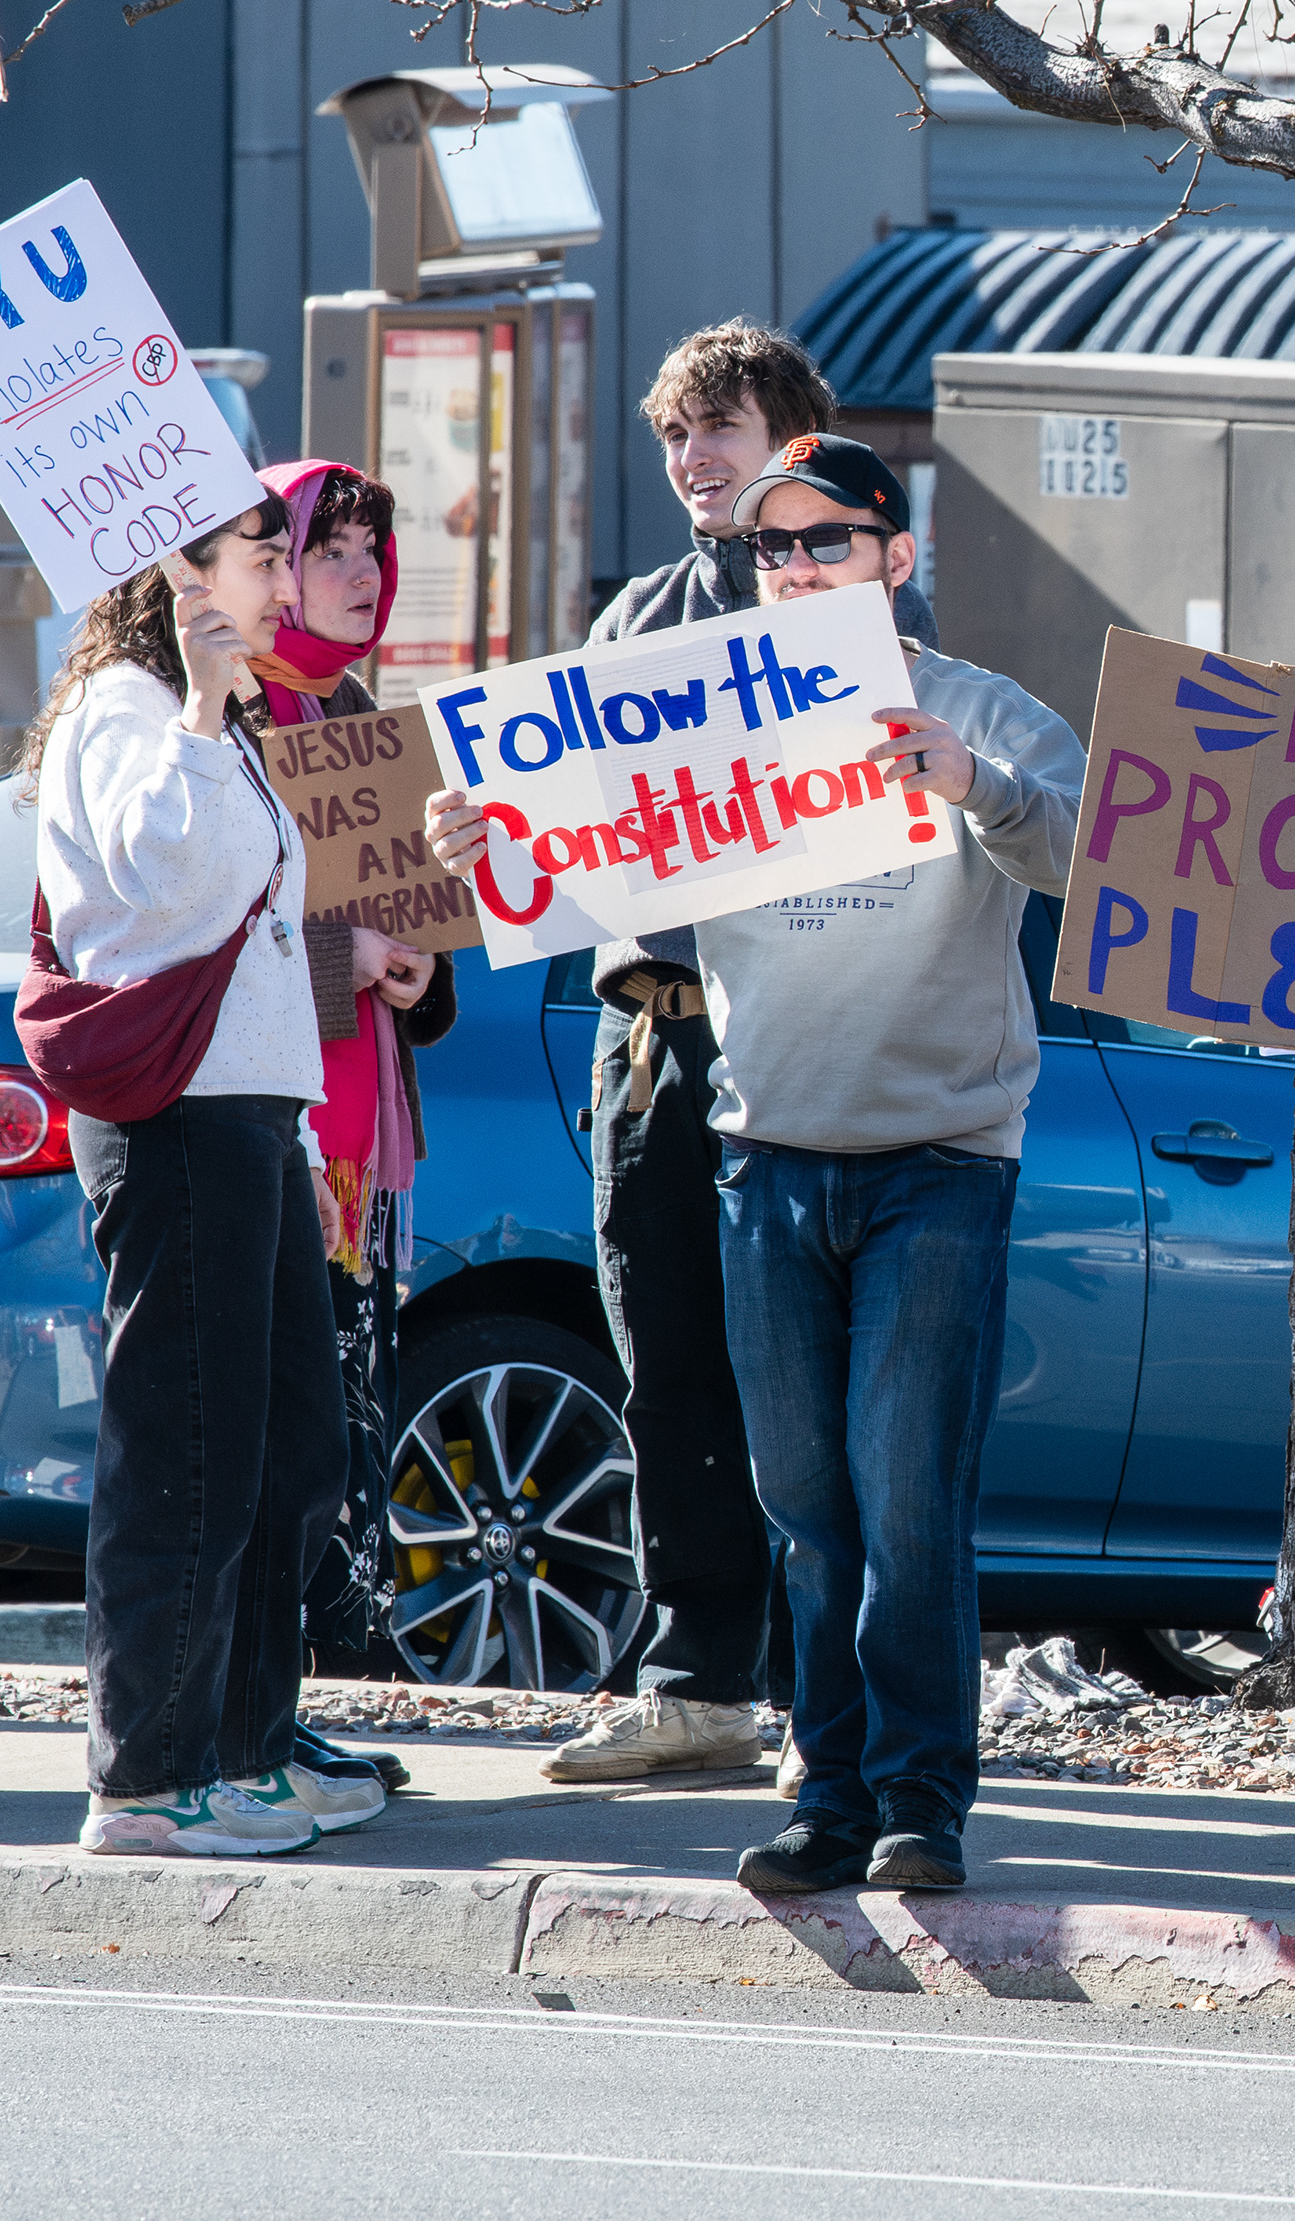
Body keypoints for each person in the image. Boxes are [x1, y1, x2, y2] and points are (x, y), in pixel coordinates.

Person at [431, 433, 1078, 1892]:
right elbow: (563, 873)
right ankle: (830, 1794)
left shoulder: (989, 711)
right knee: (806, 1508)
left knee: (907, 1504)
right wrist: (480, 844)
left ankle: (919, 1801)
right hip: (763, 1161)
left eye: (826, 542)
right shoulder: (696, 724)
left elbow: (1096, 860)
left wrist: (974, 781)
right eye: (772, 549)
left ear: (894, 560)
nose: (792, 568)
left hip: (938, 1167)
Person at [543, 324, 924, 1791]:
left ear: (798, 439)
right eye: (675, 435)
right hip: (656, 1045)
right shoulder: (630, 621)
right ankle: (698, 1682)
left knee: (821, 1397)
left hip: (819, 1047)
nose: (696, 457)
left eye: (723, 426)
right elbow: (559, 829)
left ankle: (836, 1703)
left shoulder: (863, 615)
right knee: (672, 1366)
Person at [43, 495, 383, 1854]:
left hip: (246, 1117)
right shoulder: (129, 710)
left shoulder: (210, 715)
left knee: (284, 1444)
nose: (283, 581)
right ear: (183, 579)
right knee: (186, 1451)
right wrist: (196, 711)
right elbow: (161, 873)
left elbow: (248, 944)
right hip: (178, 1119)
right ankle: (148, 1777)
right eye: (261, 560)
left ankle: (241, 1745)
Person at [247, 462, 455, 1784]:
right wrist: (353, 959)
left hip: (361, 1147)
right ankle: (251, 1714)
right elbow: (213, 933)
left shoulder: (360, 709)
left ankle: (283, 1702)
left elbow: (414, 959)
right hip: (274, 1126)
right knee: (279, 1426)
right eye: (335, 546)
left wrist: (422, 957)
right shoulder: (232, 714)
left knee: (333, 1424)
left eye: (377, 546)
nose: (363, 569)